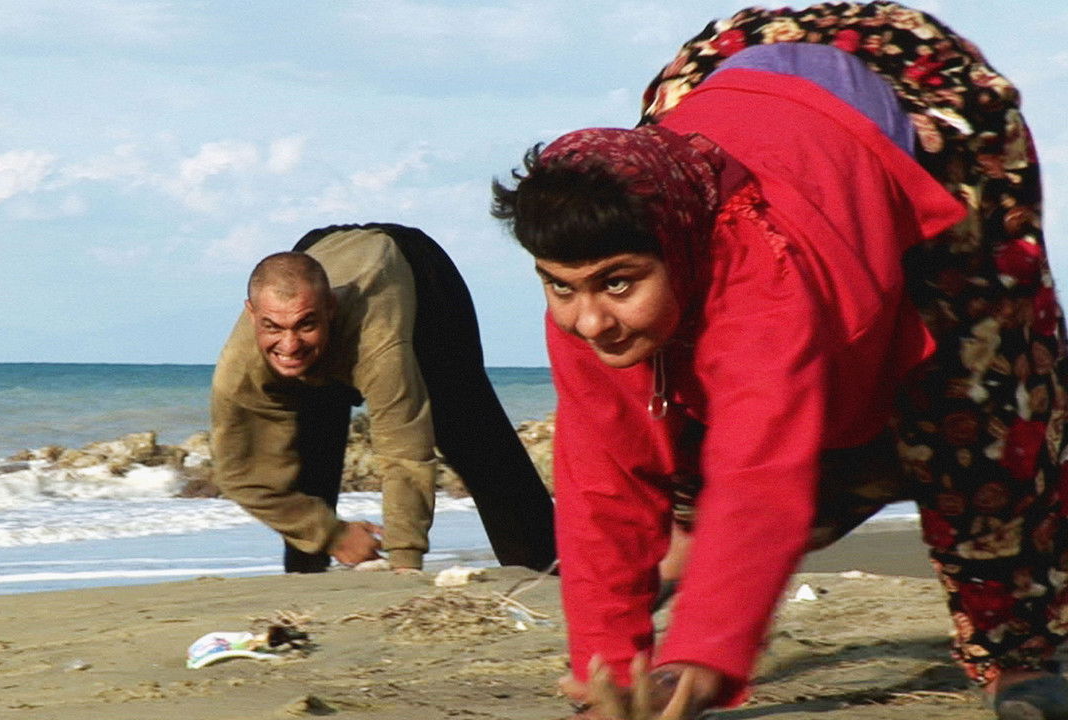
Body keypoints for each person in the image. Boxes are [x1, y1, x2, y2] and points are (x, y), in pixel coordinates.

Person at [491, 2, 1067, 718]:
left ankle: (1019, 655)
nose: (590, 320)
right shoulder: (599, 275)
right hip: (727, 67)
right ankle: (688, 544)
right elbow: (599, 480)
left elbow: (762, 468)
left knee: (980, 390)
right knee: (670, 400)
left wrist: (701, 657)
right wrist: (608, 662)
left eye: (618, 282)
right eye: (559, 288)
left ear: (677, 250)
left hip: (922, 93)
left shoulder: (765, 276)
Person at [210, 222, 557, 575]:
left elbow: (405, 452)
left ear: (330, 309)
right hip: (321, 250)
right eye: (272, 328)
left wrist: (405, 562)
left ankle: (549, 573)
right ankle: (306, 586)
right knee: (308, 461)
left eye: (304, 325)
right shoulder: (240, 368)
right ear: (252, 314)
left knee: (474, 438)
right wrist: (330, 534)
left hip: (416, 274)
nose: (288, 345)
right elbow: (237, 473)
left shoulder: (378, 345)